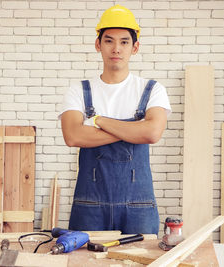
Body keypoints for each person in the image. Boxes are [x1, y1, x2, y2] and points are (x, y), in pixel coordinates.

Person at [59, 5, 171, 234]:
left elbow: (151, 133)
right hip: (89, 207)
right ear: (98, 44)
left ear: (135, 47)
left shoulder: (152, 89)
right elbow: (72, 136)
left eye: (124, 42)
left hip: (138, 208)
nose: (116, 49)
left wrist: (98, 120)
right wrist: (133, 129)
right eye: (109, 41)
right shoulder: (79, 90)